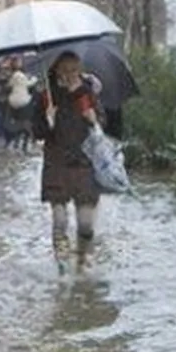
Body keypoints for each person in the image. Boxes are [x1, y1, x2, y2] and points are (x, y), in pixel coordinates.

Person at [33, 51, 105, 273]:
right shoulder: (47, 96)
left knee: (85, 223)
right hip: (57, 165)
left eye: (74, 70)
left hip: (84, 163)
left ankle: (83, 261)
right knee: (60, 221)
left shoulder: (87, 93)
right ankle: (62, 269)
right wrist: (48, 121)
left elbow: (101, 125)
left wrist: (94, 119)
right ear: (56, 71)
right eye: (65, 70)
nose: (70, 74)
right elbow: (37, 132)